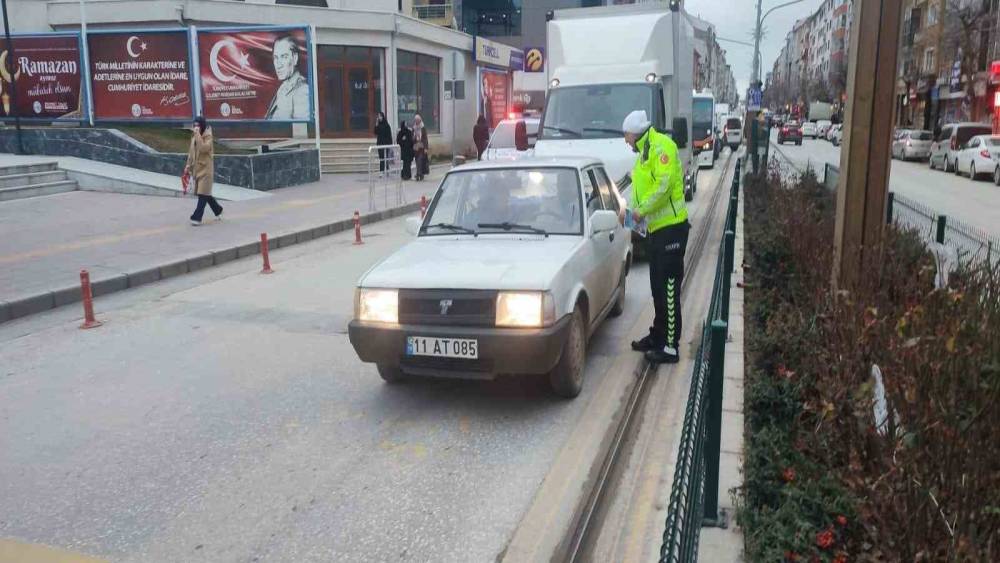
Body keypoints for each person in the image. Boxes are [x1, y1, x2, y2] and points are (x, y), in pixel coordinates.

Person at [623, 110, 690, 365]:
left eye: (626, 135)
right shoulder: (644, 153)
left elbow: (663, 185)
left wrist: (640, 211)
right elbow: (639, 191)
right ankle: (658, 336)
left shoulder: (663, 147)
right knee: (657, 288)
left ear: (635, 133)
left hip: (672, 229)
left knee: (669, 289)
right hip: (656, 231)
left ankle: (671, 347)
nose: (625, 141)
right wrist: (629, 215)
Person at [185, 116, 223, 226]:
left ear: (202, 125)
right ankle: (218, 209)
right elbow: (191, 153)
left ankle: (197, 217)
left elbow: (203, 148)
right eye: (194, 125)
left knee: (202, 194)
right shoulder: (194, 137)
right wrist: (188, 165)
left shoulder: (208, 137)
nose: (196, 127)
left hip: (206, 170)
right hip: (197, 170)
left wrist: (197, 134)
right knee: (205, 193)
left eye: (198, 125)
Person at [265, 35, 310, 120]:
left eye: (284, 57)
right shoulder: (283, 87)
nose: (278, 65)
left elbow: (302, 126)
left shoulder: (302, 90)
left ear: (295, 58)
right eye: (276, 57)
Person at [412, 114, 429, 181]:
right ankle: (420, 174)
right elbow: (412, 137)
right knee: (417, 161)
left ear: (420, 120)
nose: (416, 121)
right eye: (416, 120)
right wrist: (413, 138)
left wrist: (426, 148)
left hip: (422, 146)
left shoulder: (423, 127)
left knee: (420, 160)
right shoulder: (414, 127)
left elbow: (425, 138)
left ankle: (418, 174)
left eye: (418, 120)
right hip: (416, 146)